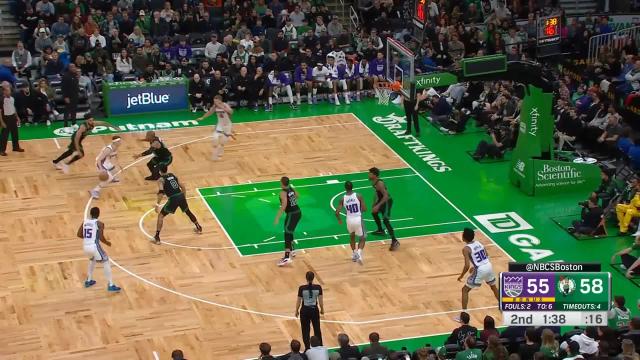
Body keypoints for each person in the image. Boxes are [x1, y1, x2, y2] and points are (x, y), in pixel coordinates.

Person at [153, 165, 202, 244]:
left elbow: (161, 192)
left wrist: (157, 204)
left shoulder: (161, 180)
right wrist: (184, 197)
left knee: (161, 216)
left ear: (160, 171)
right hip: (181, 195)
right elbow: (183, 186)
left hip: (173, 198)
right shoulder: (172, 175)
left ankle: (157, 237)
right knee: (188, 212)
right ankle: (198, 227)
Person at [77, 206, 121, 292]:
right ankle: (111, 285)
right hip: (94, 246)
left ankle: (89, 280)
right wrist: (107, 243)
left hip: (85, 246)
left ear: (90, 214)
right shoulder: (99, 224)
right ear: (98, 214)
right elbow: (101, 237)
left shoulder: (85, 222)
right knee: (106, 261)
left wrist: (87, 238)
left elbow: (79, 234)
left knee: (92, 260)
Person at [456, 228, 499, 315]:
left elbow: (467, 266)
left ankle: (464, 315)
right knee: (493, 287)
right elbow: (486, 255)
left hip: (481, 269)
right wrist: (476, 267)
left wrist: (461, 276)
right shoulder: (479, 243)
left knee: (465, 290)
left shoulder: (466, 249)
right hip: (488, 265)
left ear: (464, 237)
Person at [334, 181, 367, 263]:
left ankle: (354, 254)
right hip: (357, 218)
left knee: (352, 237)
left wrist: (339, 220)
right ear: (352, 187)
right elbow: (365, 209)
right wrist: (359, 211)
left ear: (345, 188)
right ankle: (359, 254)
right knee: (362, 238)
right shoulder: (358, 196)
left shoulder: (342, 198)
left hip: (349, 219)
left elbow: (337, 212)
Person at [368, 167, 399, 250]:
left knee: (385, 220)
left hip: (387, 202)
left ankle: (394, 241)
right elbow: (376, 192)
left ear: (374, 175)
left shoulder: (380, 183)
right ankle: (380, 230)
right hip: (382, 201)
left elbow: (385, 196)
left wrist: (378, 206)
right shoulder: (374, 182)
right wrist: (374, 203)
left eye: (370, 173)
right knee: (374, 212)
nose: (368, 175)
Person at [274, 176, 302, 266]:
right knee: (290, 231)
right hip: (297, 212)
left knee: (287, 233)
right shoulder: (291, 188)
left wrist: (277, 217)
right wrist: (292, 201)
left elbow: (284, 205)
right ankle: (292, 250)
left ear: (282, 183)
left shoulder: (283, 192)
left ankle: (287, 258)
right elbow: (298, 196)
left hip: (292, 214)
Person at [196, 95, 235, 160]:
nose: (215, 103)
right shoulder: (214, 107)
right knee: (215, 138)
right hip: (220, 124)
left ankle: (220, 153)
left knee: (223, 142)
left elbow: (231, 112)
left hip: (227, 125)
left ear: (220, 100)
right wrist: (202, 117)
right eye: (214, 101)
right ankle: (214, 156)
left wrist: (224, 108)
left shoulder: (225, 105)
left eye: (216, 101)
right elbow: (209, 112)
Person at [296, 271, 323, 351]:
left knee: (305, 330)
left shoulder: (302, 288)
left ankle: (307, 348)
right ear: (313, 278)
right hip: (314, 310)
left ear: (306, 278)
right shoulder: (318, 287)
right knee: (317, 329)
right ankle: (320, 346)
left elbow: (299, 301)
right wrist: (322, 309)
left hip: (305, 311)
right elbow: (320, 300)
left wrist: (296, 310)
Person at [0, 84, 25, 156]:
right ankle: (2, 150)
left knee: (15, 133)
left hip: (12, 117)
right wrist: (2, 122)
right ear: (4, 92)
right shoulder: (2, 100)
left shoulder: (12, 98)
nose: (9, 92)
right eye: (7, 91)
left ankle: (16, 147)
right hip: (5, 118)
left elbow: (13, 108)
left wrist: (17, 117)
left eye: (9, 90)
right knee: (4, 135)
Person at [61, 64, 80, 129]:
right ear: (69, 68)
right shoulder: (65, 76)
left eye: (74, 67)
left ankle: (73, 123)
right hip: (68, 96)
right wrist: (65, 97)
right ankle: (65, 124)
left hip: (75, 95)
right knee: (67, 110)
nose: (74, 68)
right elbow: (63, 87)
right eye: (72, 67)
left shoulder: (75, 75)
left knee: (74, 110)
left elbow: (76, 85)